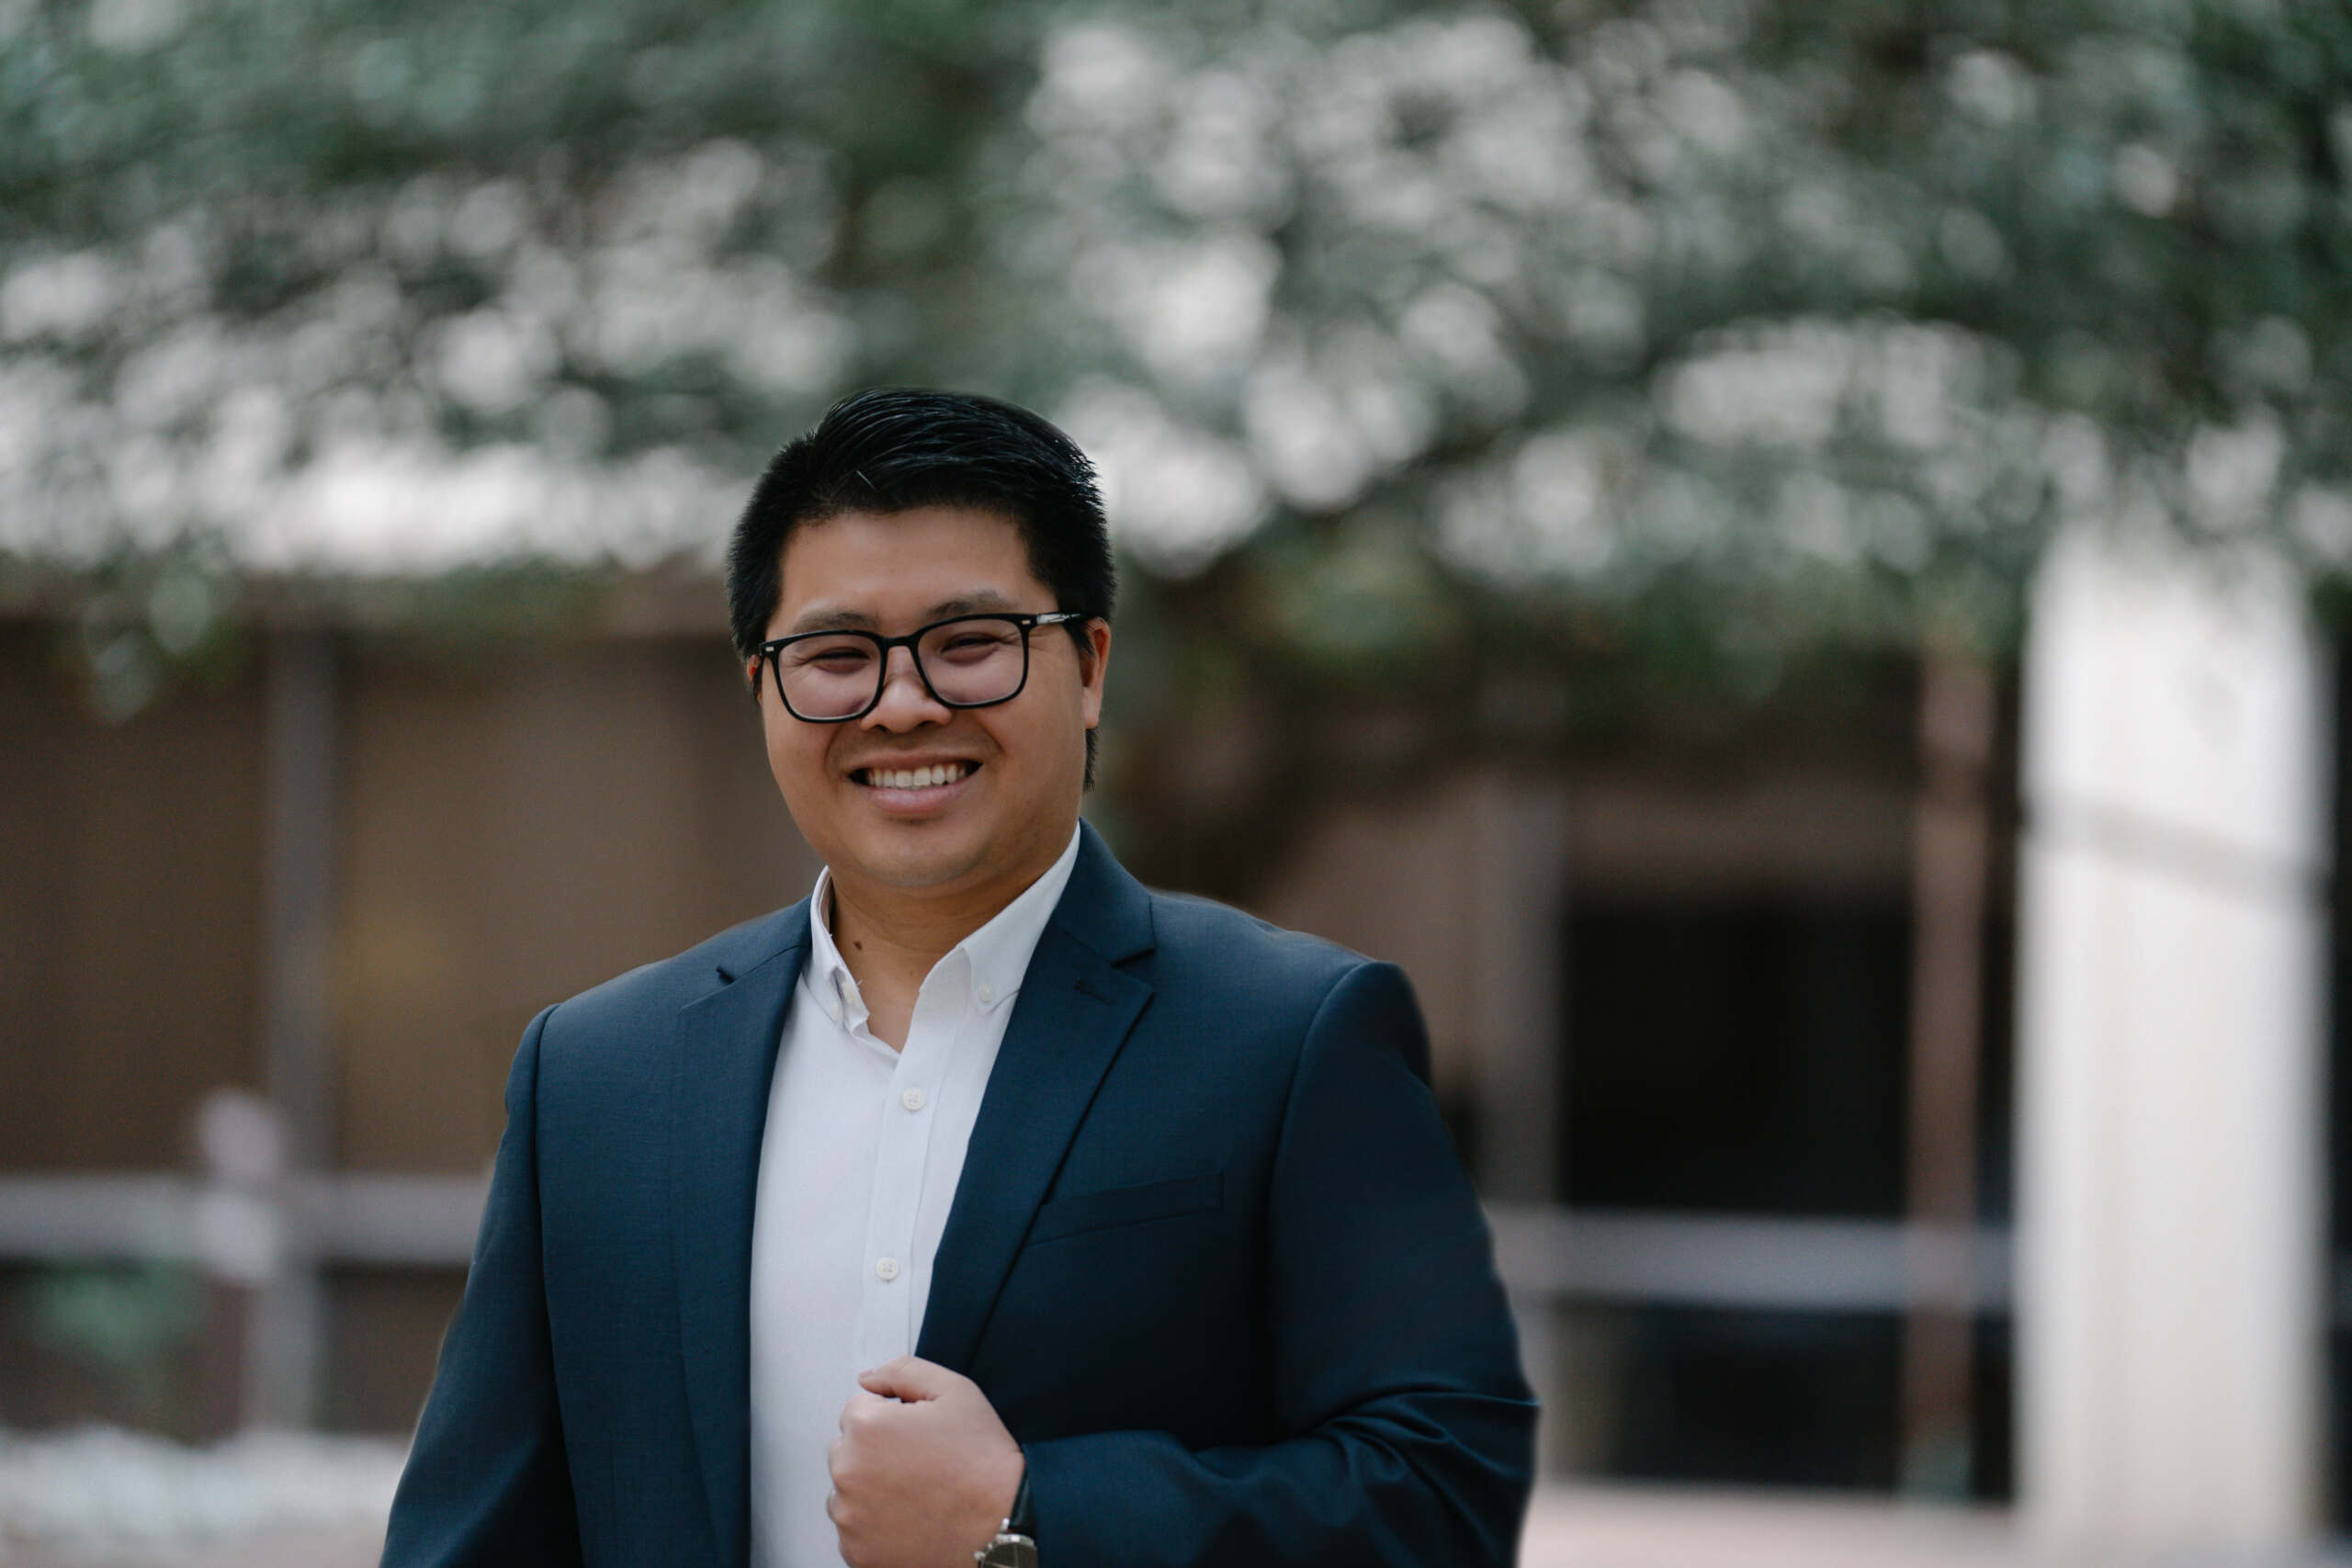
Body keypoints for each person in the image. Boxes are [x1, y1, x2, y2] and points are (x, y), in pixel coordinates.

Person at [380, 389, 1535, 1568]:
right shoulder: (595, 1076)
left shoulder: (1295, 1039)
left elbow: (1446, 1494)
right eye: (835, 655)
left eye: (967, 645)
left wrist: (1030, 1514)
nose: (901, 704)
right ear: (762, 691)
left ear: (1088, 666)